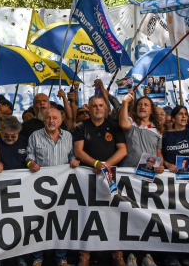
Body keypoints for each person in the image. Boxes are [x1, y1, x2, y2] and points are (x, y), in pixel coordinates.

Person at [72, 94, 127, 266]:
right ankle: (85, 254)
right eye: (94, 106)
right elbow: (78, 151)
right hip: (87, 175)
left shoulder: (114, 126)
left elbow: (123, 150)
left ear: (106, 108)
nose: (98, 109)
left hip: (110, 175)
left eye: (101, 105)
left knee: (113, 213)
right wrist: (96, 163)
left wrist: (105, 165)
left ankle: (117, 253)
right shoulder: (81, 126)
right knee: (86, 214)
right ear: (88, 107)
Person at [26, 107, 77, 266]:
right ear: (44, 120)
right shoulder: (35, 136)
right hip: (40, 188)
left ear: (60, 121)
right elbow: (29, 157)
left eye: (55, 118)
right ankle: (38, 258)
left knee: (61, 223)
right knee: (39, 223)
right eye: (48, 118)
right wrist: (30, 164)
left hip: (63, 188)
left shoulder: (68, 136)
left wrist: (74, 160)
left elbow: (73, 155)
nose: (51, 121)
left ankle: (61, 257)